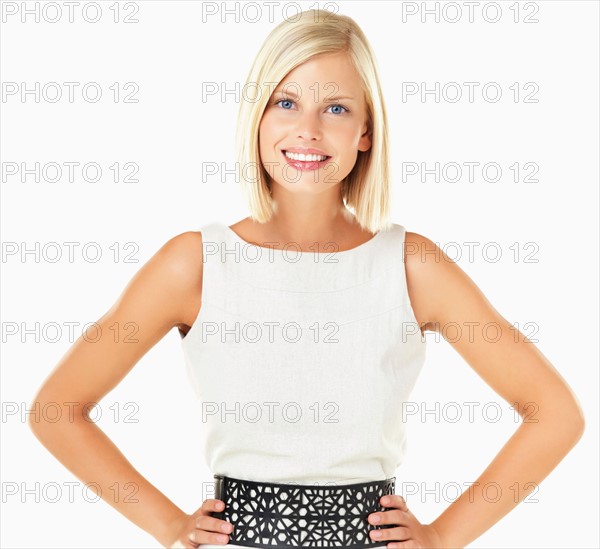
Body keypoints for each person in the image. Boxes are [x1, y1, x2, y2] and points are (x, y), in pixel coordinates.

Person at [29, 9, 585, 549]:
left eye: (337, 108)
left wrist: (442, 537)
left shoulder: (411, 267)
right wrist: (167, 525)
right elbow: (58, 410)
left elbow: (554, 414)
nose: (308, 130)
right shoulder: (196, 263)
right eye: (286, 102)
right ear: (258, 116)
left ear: (367, 131)